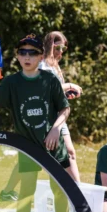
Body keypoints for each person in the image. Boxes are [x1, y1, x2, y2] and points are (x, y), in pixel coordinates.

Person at [0, 33, 71, 212]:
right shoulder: (12, 82)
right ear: (17, 55)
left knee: (59, 192)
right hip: (27, 147)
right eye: (22, 52)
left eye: (33, 53)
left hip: (53, 145)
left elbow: (65, 108)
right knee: (26, 194)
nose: (27, 57)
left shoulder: (49, 79)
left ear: (41, 56)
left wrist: (56, 129)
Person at [40, 31, 82, 182]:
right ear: (51, 46)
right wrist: (69, 85)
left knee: (69, 152)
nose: (62, 52)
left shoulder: (54, 65)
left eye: (64, 49)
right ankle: (77, 191)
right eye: (59, 48)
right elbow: (47, 89)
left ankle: (78, 190)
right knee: (36, 157)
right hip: (49, 117)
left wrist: (66, 93)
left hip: (59, 115)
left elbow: (57, 91)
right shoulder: (43, 65)